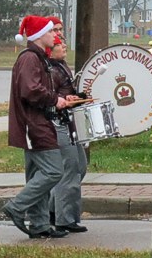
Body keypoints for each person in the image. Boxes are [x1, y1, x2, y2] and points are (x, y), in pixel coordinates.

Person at [4, 15, 68, 239]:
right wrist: (54, 100)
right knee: (53, 170)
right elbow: (30, 90)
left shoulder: (39, 58)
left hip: (36, 121)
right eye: (52, 32)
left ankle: (39, 224)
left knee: (36, 175)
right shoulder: (31, 58)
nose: (56, 35)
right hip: (34, 124)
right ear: (40, 35)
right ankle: (16, 206)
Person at [45, 16, 88, 234]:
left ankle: (54, 209)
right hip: (59, 124)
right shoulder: (50, 69)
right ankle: (65, 218)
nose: (61, 36)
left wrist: (77, 96)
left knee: (79, 167)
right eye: (56, 31)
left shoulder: (60, 65)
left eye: (61, 30)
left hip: (68, 123)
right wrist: (63, 101)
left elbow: (63, 93)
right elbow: (49, 97)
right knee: (69, 170)